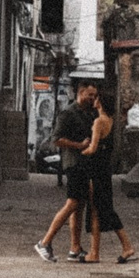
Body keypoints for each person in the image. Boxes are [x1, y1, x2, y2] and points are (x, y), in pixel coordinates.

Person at [33, 82, 98, 262]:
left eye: (94, 95)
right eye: (90, 95)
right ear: (81, 93)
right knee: (72, 203)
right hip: (73, 163)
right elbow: (56, 139)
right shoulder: (68, 113)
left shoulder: (89, 113)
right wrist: (79, 145)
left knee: (79, 205)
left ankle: (75, 248)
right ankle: (44, 242)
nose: (92, 98)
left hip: (84, 164)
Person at [79, 89, 136, 264]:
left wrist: (80, 152)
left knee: (104, 210)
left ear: (101, 102)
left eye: (96, 98)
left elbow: (93, 148)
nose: (94, 100)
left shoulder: (99, 121)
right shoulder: (110, 121)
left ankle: (127, 246)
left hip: (96, 169)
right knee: (96, 210)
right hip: (104, 169)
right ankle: (94, 252)